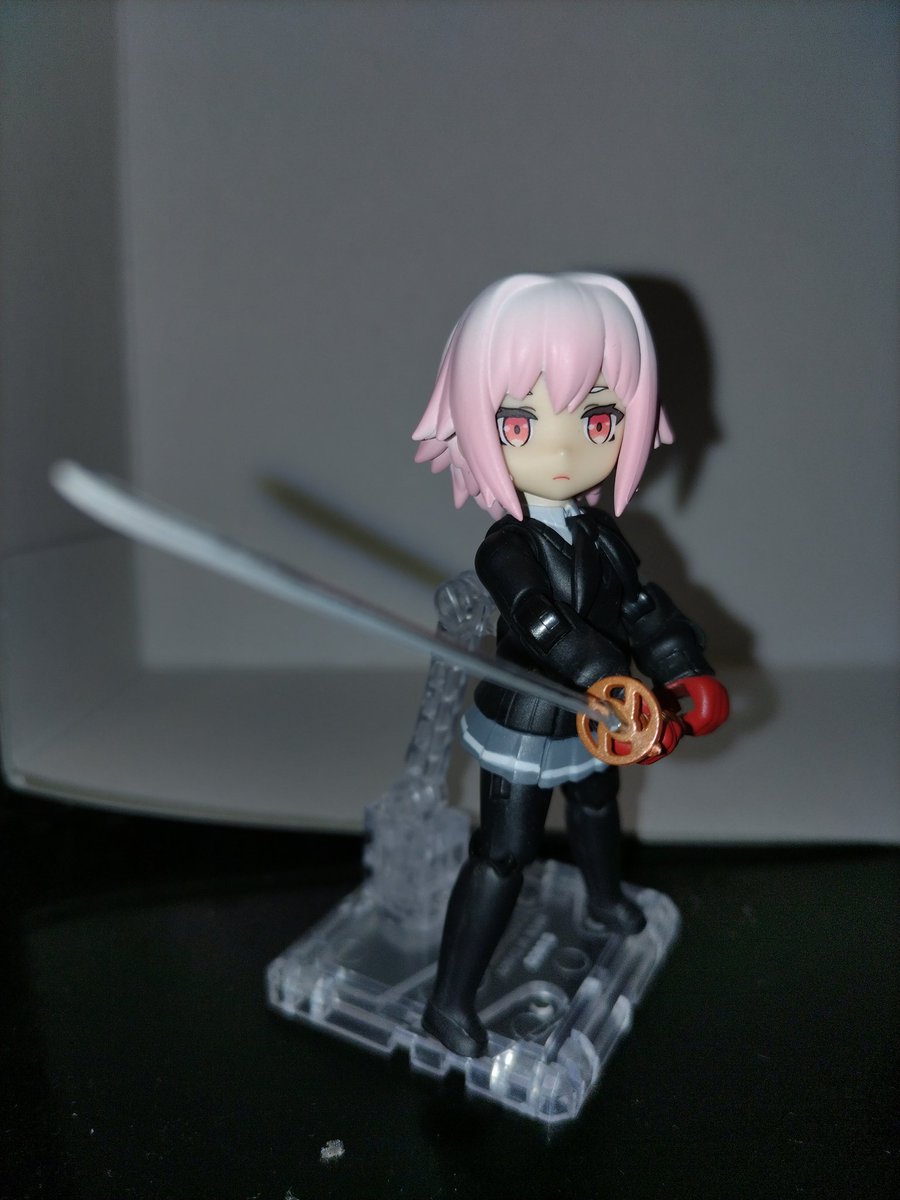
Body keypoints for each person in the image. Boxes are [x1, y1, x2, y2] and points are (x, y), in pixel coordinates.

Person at [412, 273, 729, 1058]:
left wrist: (682, 666)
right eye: (521, 423)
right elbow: (538, 619)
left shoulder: (602, 533)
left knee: (595, 803)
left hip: (599, 720)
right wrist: (607, 681)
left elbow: (641, 604)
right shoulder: (506, 548)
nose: (561, 450)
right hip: (530, 717)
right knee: (505, 853)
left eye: (596, 419)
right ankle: (448, 1003)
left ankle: (603, 898)